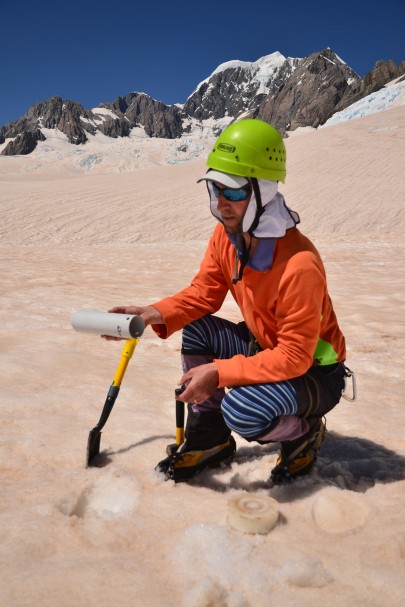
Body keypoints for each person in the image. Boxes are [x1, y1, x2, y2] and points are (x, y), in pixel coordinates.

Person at [106, 118, 349, 484]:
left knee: (243, 409)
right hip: (267, 347)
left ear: (264, 190)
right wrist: (154, 312)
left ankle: (303, 433)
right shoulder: (226, 237)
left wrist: (220, 373)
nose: (221, 204)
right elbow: (205, 293)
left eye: (233, 192)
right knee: (198, 327)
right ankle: (210, 441)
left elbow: (296, 356)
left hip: (314, 372)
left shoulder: (299, 264)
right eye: (215, 189)